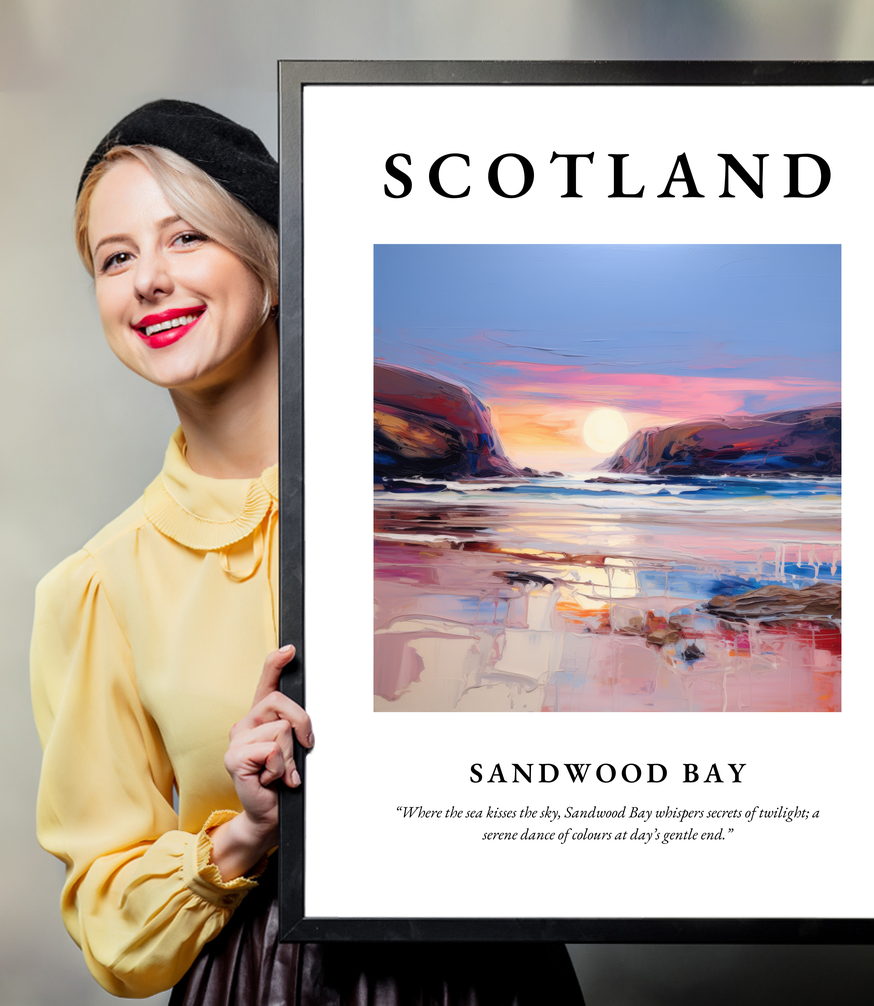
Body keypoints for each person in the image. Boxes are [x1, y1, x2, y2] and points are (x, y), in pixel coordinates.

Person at [30, 100, 586, 1004]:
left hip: (493, 973)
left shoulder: (441, 509)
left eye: (186, 238)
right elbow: (110, 923)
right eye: (116, 257)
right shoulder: (97, 587)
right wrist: (245, 832)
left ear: (272, 263)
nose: (148, 281)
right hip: (263, 981)